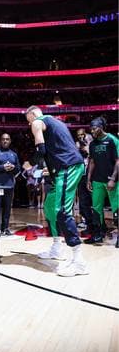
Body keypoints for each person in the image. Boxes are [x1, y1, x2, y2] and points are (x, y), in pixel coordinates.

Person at [25, 105, 87, 277]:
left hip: (68, 168)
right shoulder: (55, 122)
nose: (28, 124)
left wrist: (29, 164)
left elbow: (41, 150)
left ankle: (78, 260)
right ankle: (57, 247)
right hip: (63, 169)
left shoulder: (37, 122)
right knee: (50, 207)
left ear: (32, 114)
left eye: (27, 119)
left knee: (62, 211)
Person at [85, 117, 118, 244]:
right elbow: (92, 162)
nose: (92, 131)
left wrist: (113, 178)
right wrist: (89, 179)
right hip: (97, 180)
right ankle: (98, 234)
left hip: (112, 181)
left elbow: (118, 161)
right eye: (91, 129)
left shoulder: (112, 140)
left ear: (101, 127)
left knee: (116, 208)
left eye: (94, 128)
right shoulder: (93, 144)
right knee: (96, 208)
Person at [0, 133, 21, 236]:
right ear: (0, 141)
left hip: (9, 185)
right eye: (3, 139)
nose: (5, 141)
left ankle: (5, 228)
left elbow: (19, 168)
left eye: (7, 139)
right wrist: (2, 167)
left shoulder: (13, 154)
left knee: (7, 208)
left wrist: (13, 167)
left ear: (10, 141)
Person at [75, 128, 93, 232]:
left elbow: (91, 155)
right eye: (78, 136)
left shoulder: (91, 143)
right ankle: (88, 223)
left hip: (92, 176)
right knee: (83, 201)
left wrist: (87, 147)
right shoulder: (78, 146)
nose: (81, 137)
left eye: (82, 135)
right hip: (81, 175)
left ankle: (98, 225)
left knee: (94, 202)